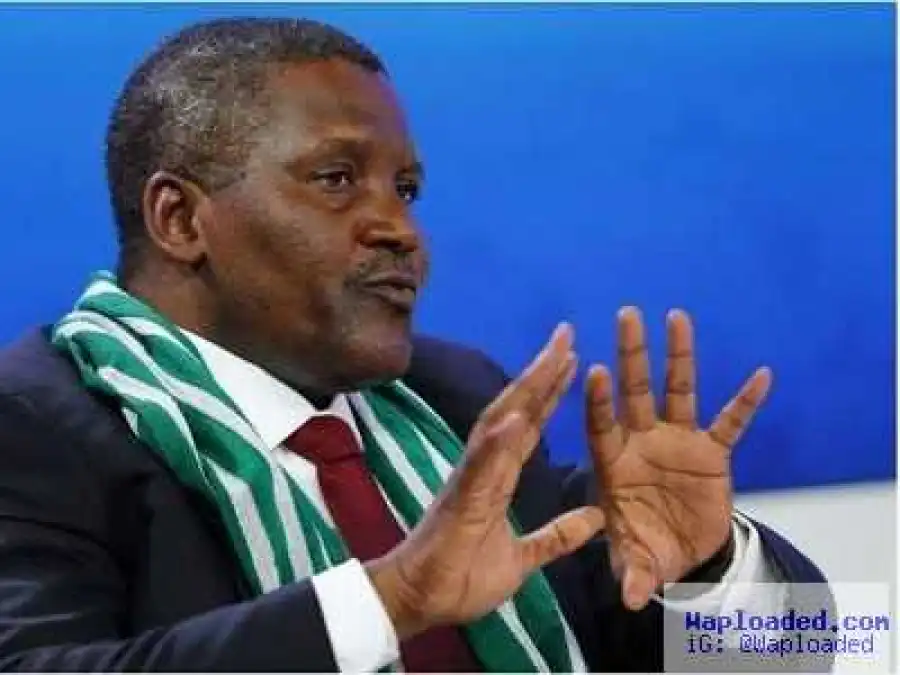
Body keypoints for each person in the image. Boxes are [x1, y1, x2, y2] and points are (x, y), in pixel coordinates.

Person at [0, 17, 828, 673]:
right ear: (180, 219)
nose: (400, 228)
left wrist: (710, 568)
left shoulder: (458, 406)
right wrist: (388, 601)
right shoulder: (35, 426)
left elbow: (810, 652)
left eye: (406, 189)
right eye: (336, 179)